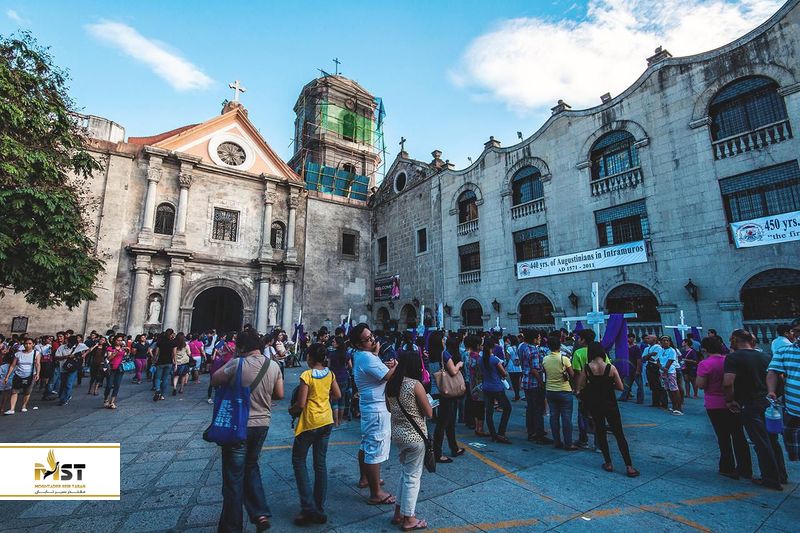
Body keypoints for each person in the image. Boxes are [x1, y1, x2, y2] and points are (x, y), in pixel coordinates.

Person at [212, 327, 283, 532]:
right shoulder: (273, 365)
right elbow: (278, 394)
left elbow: (216, 379)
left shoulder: (237, 364)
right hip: (262, 425)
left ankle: (231, 528)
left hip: (238, 425)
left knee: (233, 478)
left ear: (241, 346)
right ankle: (260, 513)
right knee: (251, 466)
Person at [724, 329, 787, 491]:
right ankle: (781, 474)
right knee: (772, 440)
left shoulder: (733, 357)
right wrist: (773, 395)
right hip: (767, 402)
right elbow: (779, 378)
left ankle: (771, 479)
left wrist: (730, 400)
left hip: (749, 403)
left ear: (735, 339)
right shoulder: (765, 356)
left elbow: (728, 382)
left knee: (760, 441)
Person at [290, 343, 341, 526]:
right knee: (320, 465)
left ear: (310, 358)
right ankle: (318, 508)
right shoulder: (330, 374)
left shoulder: (307, 375)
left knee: (298, 460)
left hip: (310, 422)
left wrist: (292, 410)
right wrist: (323, 399)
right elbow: (337, 394)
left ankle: (308, 508)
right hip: (326, 420)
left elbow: (301, 404)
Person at [575, 342, 640, 477]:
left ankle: (608, 463)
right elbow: (621, 387)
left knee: (600, 432)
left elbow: (579, 387)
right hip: (610, 403)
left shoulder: (587, 368)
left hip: (595, 404)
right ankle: (629, 466)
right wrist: (609, 385)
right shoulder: (611, 368)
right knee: (619, 434)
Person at [351, 323, 398, 505]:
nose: (372, 340)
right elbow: (387, 376)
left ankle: (365, 478)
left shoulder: (363, 355)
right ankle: (375, 492)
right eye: (368, 339)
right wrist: (396, 366)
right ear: (357, 344)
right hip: (376, 409)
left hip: (369, 405)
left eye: (372, 337)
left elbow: (376, 368)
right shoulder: (366, 357)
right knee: (374, 449)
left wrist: (378, 356)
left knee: (366, 444)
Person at [386, 349, 433, 531]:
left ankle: (398, 512)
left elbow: (390, 409)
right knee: (413, 477)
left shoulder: (391, 384)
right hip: (415, 436)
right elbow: (428, 412)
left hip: (398, 435)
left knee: (405, 474)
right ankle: (409, 519)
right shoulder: (415, 385)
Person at [697, 336, 752, 480]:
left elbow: (701, 385)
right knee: (739, 435)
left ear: (704, 349)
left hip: (715, 403)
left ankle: (727, 466)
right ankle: (745, 468)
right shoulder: (730, 360)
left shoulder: (705, 364)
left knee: (723, 436)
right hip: (735, 401)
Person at [768, 321, 800, 463]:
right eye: (796, 331)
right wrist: (771, 390)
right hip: (793, 410)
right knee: (794, 447)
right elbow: (773, 371)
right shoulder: (784, 351)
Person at [433, 335, 466, 463]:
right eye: (442, 339)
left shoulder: (429, 353)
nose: (444, 341)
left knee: (449, 421)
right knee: (443, 423)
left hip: (437, 389)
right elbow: (452, 371)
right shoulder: (444, 354)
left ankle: (454, 448)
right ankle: (437, 453)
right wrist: (459, 364)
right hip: (446, 391)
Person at [542, 332, 577, 450]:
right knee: (566, 418)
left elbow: (546, 373)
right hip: (564, 390)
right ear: (559, 345)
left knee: (554, 417)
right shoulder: (564, 359)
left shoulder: (545, 359)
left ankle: (557, 441)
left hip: (550, 390)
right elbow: (572, 374)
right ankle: (568, 443)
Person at [520, 330, 552, 444]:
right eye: (538, 337)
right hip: (534, 382)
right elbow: (534, 369)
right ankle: (538, 433)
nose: (539, 339)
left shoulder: (524, 348)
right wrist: (541, 382)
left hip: (526, 382)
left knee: (530, 408)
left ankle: (531, 431)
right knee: (538, 408)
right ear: (534, 339)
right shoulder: (533, 350)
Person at [481, 335, 512, 444]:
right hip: (496, 387)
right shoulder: (494, 359)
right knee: (507, 408)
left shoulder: (482, 359)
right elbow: (504, 373)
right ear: (492, 347)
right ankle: (501, 432)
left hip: (486, 386)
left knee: (489, 411)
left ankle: (493, 434)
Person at [2, 337, 41, 415]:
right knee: (14, 391)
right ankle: (12, 408)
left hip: (30, 375)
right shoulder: (18, 354)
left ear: (33, 344)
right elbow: (13, 365)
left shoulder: (36, 353)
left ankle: (24, 406)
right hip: (18, 374)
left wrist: (37, 373)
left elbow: (37, 364)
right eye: (26, 344)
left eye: (30, 343)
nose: (27, 345)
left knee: (27, 392)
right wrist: (7, 376)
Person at [572, 329, 597, 447]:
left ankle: (583, 439)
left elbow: (577, 373)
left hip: (584, 388)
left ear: (583, 339)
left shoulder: (578, 353)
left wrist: (576, 389)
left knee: (582, 414)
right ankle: (599, 444)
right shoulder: (600, 351)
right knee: (598, 415)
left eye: (579, 338)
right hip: (598, 387)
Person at [328, 335, 352, 427]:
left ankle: (335, 421)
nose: (332, 343)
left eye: (334, 342)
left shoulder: (332, 354)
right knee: (342, 399)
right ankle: (341, 419)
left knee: (334, 399)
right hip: (344, 377)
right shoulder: (346, 354)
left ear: (338, 344)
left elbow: (329, 366)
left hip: (334, 378)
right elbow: (350, 366)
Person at [465, 335, 487, 436]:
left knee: (475, 406)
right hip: (479, 385)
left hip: (471, 383)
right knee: (480, 407)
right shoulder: (478, 358)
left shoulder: (468, 356)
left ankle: (477, 426)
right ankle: (480, 428)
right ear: (478, 345)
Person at [57, 335, 87, 406]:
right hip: (63, 368)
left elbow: (85, 352)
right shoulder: (62, 347)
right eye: (70, 343)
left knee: (68, 384)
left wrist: (81, 356)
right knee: (63, 384)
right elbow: (56, 357)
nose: (71, 345)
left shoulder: (78, 348)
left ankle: (64, 399)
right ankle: (64, 396)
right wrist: (67, 356)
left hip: (73, 369)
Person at [657, 336, 683, 415]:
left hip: (670, 372)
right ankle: (674, 405)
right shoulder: (661, 350)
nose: (665, 342)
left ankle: (679, 407)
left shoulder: (672, 350)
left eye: (667, 340)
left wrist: (665, 368)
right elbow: (658, 360)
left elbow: (671, 360)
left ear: (670, 342)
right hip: (663, 372)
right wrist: (661, 367)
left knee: (674, 389)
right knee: (668, 389)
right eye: (663, 341)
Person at [103, 334, 128, 409]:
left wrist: (127, 351)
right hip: (111, 368)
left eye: (121, 340)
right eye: (118, 340)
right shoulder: (110, 348)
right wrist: (116, 352)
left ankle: (112, 402)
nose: (119, 342)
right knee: (109, 385)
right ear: (114, 341)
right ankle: (106, 399)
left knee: (117, 385)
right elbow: (109, 358)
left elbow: (125, 357)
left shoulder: (123, 349)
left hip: (120, 369)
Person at [619, 333, 644, 403]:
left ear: (633, 338)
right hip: (628, 369)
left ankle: (640, 399)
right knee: (626, 385)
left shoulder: (636, 348)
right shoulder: (625, 347)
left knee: (639, 385)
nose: (629, 339)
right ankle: (624, 397)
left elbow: (639, 359)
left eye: (631, 337)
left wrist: (638, 370)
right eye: (628, 337)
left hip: (635, 368)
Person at [642, 335, 666, 408]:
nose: (647, 339)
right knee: (652, 385)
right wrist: (650, 354)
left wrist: (648, 356)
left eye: (649, 338)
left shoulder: (658, 348)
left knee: (658, 385)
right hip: (649, 367)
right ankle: (655, 402)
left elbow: (655, 359)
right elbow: (644, 358)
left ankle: (663, 402)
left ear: (654, 339)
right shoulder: (647, 348)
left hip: (655, 367)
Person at [153, 329, 176, 402]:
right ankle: (162, 395)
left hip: (160, 362)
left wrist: (154, 360)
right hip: (169, 362)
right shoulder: (173, 343)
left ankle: (157, 390)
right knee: (165, 379)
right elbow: (174, 354)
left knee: (157, 378)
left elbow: (156, 353)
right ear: (171, 334)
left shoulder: (160, 342)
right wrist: (175, 363)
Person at [505, 335, 522, 401]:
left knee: (514, 382)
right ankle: (518, 394)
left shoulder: (509, 348)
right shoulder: (519, 348)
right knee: (518, 381)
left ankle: (516, 395)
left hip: (511, 367)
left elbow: (507, 358)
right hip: (519, 367)